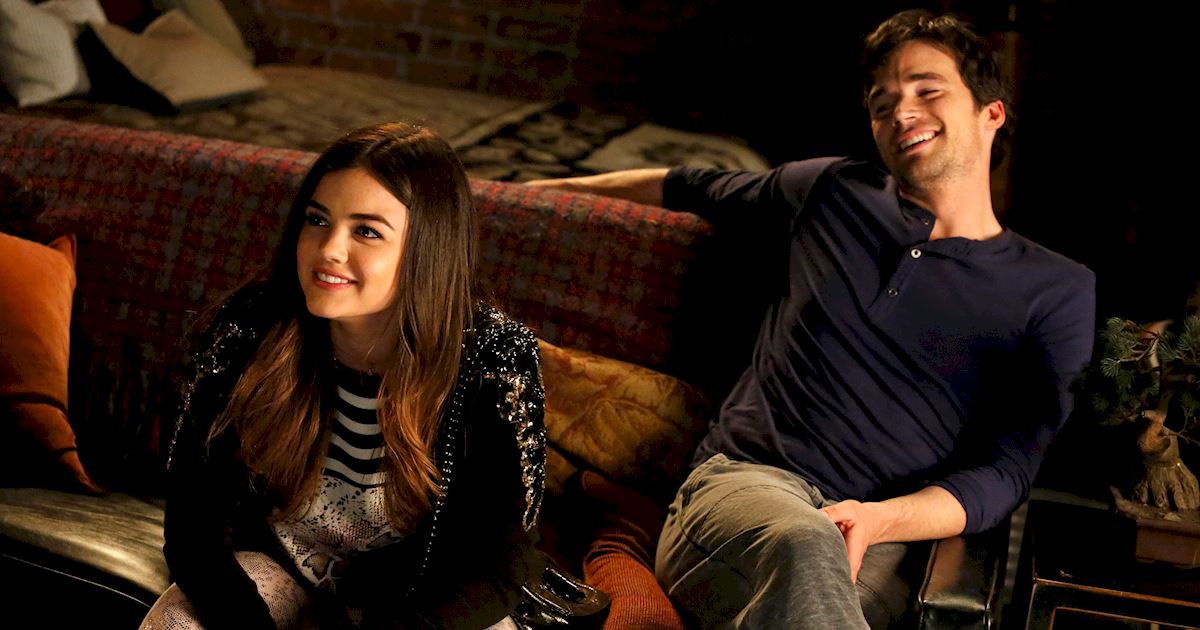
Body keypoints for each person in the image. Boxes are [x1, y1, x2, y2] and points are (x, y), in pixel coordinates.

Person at [527, 9, 1095, 629]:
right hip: (740, 493)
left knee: (821, 575)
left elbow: (1007, 470)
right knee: (805, 544)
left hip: (885, 533)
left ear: (992, 113)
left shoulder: (1057, 289)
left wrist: (880, 518)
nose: (901, 112)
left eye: (928, 90)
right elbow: (679, 185)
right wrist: (505, 192)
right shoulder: (833, 192)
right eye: (882, 103)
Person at [142, 122, 546, 630]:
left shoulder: (495, 353)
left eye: (366, 231)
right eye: (317, 220)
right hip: (281, 561)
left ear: (427, 248)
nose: (329, 249)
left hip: (423, 596)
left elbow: (497, 564)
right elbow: (192, 524)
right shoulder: (250, 323)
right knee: (175, 622)